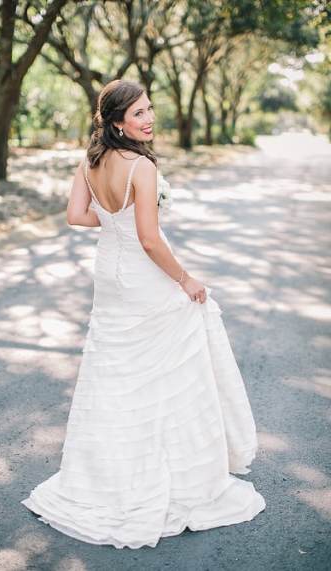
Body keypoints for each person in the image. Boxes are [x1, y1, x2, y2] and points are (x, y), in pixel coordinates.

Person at [21, 79, 265, 549]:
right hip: (141, 275)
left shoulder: (90, 161)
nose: (148, 118)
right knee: (167, 364)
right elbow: (151, 240)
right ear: (116, 121)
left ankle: (104, 474)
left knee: (115, 370)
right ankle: (172, 470)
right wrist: (185, 279)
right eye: (138, 113)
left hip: (109, 277)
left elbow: (76, 215)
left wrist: (114, 220)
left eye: (149, 109)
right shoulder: (142, 168)